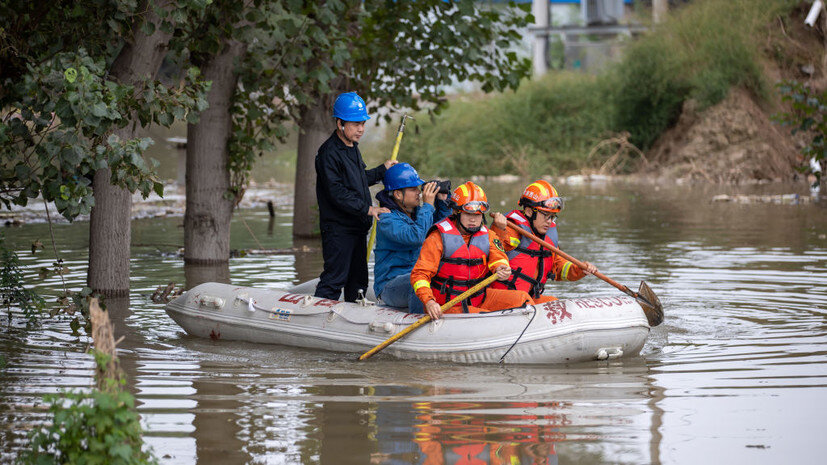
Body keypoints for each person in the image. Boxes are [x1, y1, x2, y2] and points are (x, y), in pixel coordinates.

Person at [314, 91, 397, 302]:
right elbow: (337, 193)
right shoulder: (328, 153)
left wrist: (382, 171)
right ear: (340, 123)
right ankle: (317, 318)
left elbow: (358, 180)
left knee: (359, 281)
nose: (361, 129)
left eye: (362, 123)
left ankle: (355, 317)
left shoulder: (353, 148)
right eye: (355, 124)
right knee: (334, 279)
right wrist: (369, 209)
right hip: (338, 229)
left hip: (358, 227)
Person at [410, 181, 535, 320]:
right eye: (469, 214)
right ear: (456, 212)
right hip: (447, 305)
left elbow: (499, 256)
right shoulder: (437, 238)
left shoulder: (488, 235)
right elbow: (420, 274)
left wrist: (502, 267)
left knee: (523, 299)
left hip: (479, 299)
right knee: (476, 314)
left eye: (478, 215)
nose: (474, 220)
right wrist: (429, 301)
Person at [490, 180, 597, 304]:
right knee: (522, 300)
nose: (549, 221)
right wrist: (499, 228)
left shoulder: (548, 236)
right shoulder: (510, 228)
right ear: (530, 211)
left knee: (555, 303)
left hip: (528, 299)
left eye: (552, 216)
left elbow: (559, 268)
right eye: (546, 215)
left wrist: (579, 269)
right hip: (502, 297)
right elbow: (497, 250)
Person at [373, 163, 452, 312]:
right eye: (413, 189)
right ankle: (419, 322)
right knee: (417, 281)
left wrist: (441, 203)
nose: (419, 193)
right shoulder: (386, 219)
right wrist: (428, 205)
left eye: (418, 188)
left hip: (419, 273)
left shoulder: (419, 214)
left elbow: (444, 230)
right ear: (397, 194)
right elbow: (416, 237)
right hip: (390, 284)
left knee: (444, 273)